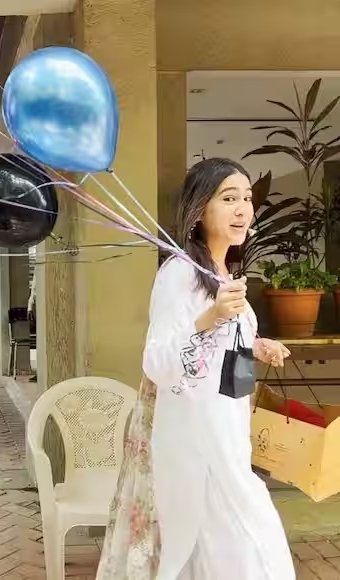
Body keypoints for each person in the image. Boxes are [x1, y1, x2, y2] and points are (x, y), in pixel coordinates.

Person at [96, 158, 294, 580]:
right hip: (194, 434)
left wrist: (259, 347)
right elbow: (158, 362)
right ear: (200, 209)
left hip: (228, 427)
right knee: (243, 545)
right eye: (229, 198)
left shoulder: (221, 273)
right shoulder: (179, 273)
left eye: (247, 199)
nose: (242, 209)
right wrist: (211, 317)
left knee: (221, 547)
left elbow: (226, 347)